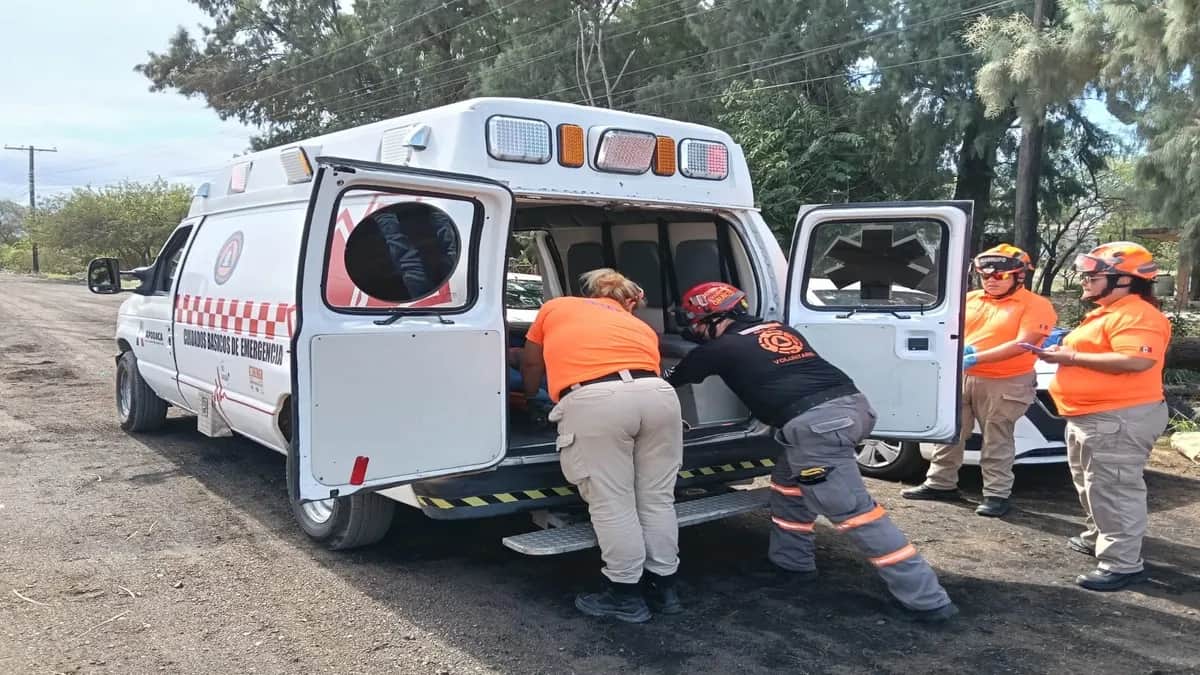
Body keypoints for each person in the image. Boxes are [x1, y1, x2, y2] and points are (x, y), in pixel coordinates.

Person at [665, 281, 957, 623]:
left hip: (816, 428)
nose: (695, 331)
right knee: (789, 487)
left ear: (712, 318)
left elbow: (675, 378)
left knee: (855, 513)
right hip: (852, 408)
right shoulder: (778, 329)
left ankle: (927, 600)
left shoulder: (720, 349)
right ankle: (792, 564)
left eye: (696, 323)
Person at [520, 269, 684, 623]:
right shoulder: (638, 326)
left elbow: (532, 361)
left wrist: (531, 399)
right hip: (658, 396)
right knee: (656, 498)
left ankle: (624, 595)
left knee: (613, 502)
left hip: (597, 400)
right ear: (629, 301)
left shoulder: (557, 306)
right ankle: (665, 588)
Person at [1036, 242, 1170, 591]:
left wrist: (1070, 358)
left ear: (1124, 280)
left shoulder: (1138, 314)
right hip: (1093, 417)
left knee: (1115, 490)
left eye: (1094, 275)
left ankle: (1122, 563)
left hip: (1118, 418)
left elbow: (1137, 360)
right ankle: (1100, 536)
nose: (1084, 279)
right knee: (1091, 484)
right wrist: (1065, 353)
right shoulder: (1109, 312)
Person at [902, 244, 1057, 517]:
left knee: (997, 437)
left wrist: (977, 357)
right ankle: (940, 483)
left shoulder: (1036, 305)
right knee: (949, 432)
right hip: (961, 375)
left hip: (1005, 380)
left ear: (1018, 276)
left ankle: (996, 494)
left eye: (999, 277)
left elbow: (1024, 343)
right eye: (986, 276)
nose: (991, 281)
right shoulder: (970, 299)